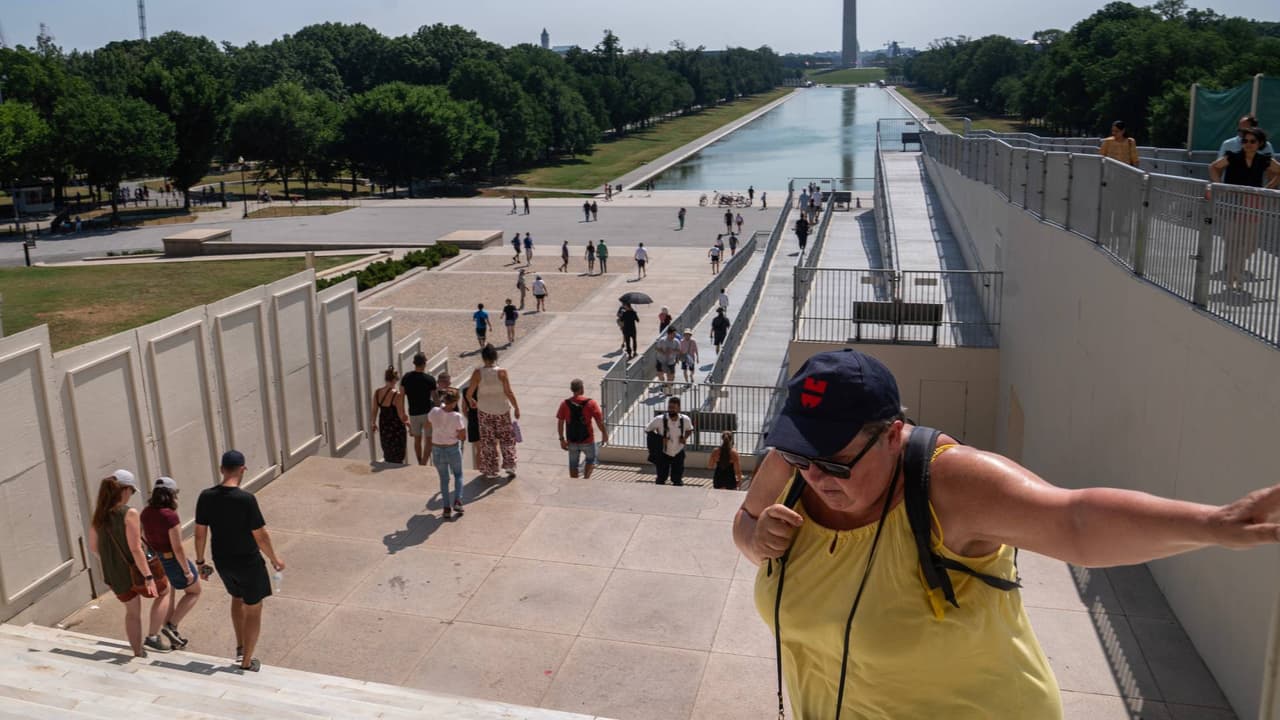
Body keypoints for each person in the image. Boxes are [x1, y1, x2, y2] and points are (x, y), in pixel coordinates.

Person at [735, 347, 1280, 718]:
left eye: (836, 463)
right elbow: (745, 525)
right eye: (800, 455)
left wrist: (1213, 524)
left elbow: (1075, 522)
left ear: (893, 435)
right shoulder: (796, 460)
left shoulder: (949, 484)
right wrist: (756, 539)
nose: (814, 475)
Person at [195, 450, 285, 673]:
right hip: (248, 562)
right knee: (254, 608)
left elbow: (200, 533)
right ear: (243, 469)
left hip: (222, 561)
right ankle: (246, 661)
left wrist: (200, 562)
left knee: (237, 597)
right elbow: (260, 535)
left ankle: (240, 647)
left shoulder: (206, 496)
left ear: (221, 469)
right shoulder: (246, 499)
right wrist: (274, 559)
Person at [88, 470, 173, 657]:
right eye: (132, 491)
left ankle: (137, 652)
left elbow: (93, 548)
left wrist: (112, 562)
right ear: (125, 490)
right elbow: (136, 549)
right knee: (164, 591)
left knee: (132, 613)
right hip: (137, 572)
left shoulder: (98, 515)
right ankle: (152, 636)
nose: (131, 495)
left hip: (114, 575)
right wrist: (148, 576)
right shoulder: (129, 513)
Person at [1208, 127, 1280, 294]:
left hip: (1252, 201)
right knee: (1233, 242)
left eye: (1252, 141)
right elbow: (1213, 167)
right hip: (1232, 201)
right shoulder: (1233, 157)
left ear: (1260, 143)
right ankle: (1232, 279)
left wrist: (1268, 188)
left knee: (1251, 245)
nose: (1248, 144)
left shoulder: (1264, 159)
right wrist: (1220, 185)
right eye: (1245, 141)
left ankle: (1233, 270)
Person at [141, 476, 202, 649]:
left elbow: (144, 538)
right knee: (194, 591)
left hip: (156, 559)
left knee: (169, 595)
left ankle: (166, 636)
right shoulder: (170, 516)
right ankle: (171, 626)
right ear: (171, 495)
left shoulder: (145, 513)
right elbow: (178, 548)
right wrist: (187, 571)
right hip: (172, 559)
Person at [466, 344, 521, 480]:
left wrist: (472, 401)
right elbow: (508, 392)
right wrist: (516, 407)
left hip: (484, 410)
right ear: (495, 356)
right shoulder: (502, 372)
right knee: (506, 438)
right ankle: (510, 465)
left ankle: (491, 469)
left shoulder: (478, 373)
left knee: (488, 440)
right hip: (502, 409)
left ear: (483, 357)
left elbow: (469, 393)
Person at [426, 388, 468, 518]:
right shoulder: (457, 416)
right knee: (458, 475)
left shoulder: (434, 411)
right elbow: (462, 436)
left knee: (444, 479)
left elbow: (428, 425)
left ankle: (446, 508)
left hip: (437, 448)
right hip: (452, 448)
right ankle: (458, 501)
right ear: (455, 402)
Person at [556, 378, 609, 479]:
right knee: (591, 460)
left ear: (572, 389)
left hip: (572, 440)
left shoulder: (565, 404)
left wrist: (562, 439)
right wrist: (604, 434)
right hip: (587, 439)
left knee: (573, 464)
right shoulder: (591, 403)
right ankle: (586, 479)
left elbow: (560, 422)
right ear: (581, 388)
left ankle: (574, 482)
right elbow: (599, 421)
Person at [646, 397, 694, 486]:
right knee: (661, 478)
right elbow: (648, 430)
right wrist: (660, 439)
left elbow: (690, 429)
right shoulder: (659, 419)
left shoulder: (685, 419)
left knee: (677, 479)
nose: (671, 410)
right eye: (669, 407)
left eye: (673, 408)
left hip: (678, 451)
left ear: (679, 408)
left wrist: (685, 438)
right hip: (663, 452)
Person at [401, 353, 438, 465]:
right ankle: (423, 463)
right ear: (424, 363)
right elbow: (435, 398)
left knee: (417, 440)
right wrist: (439, 412)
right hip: (427, 414)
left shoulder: (406, 378)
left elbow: (401, 396)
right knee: (429, 440)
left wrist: (403, 412)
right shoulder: (429, 379)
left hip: (413, 413)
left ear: (414, 363)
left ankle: (419, 461)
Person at [370, 366, 409, 464]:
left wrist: (373, 423)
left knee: (387, 451)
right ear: (395, 379)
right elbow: (401, 415)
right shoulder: (397, 394)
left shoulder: (377, 392)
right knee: (398, 454)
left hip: (384, 425)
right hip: (396, 427)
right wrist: (409, 425)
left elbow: (374, 409)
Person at [656, 326, 682, 393]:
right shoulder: (662, 340)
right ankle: (664, 384)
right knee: (660, 374)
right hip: (661, 360)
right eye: (673, 334)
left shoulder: (676, 341)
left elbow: (679, 350)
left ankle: (668, 390)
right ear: (669, 333)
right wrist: (664, 352)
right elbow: (657, 348)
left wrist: (672, 351)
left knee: (671, 376)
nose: (674, 335)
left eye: (675, 334)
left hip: (671, 361)